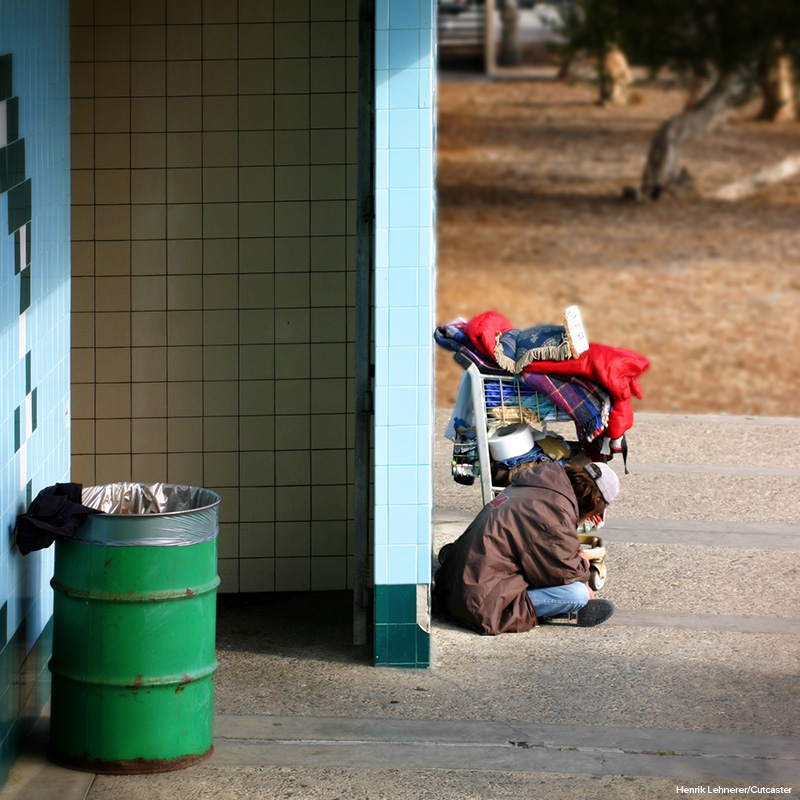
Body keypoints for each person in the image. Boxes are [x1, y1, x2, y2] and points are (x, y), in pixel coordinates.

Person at [433, 459, 619, 635]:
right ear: (596, 502)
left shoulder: (539, 486)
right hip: (478, 604)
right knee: (577, 594)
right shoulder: (555, 513)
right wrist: (583, 564)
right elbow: (565, 572)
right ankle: (549, 611)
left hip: (453, 586)